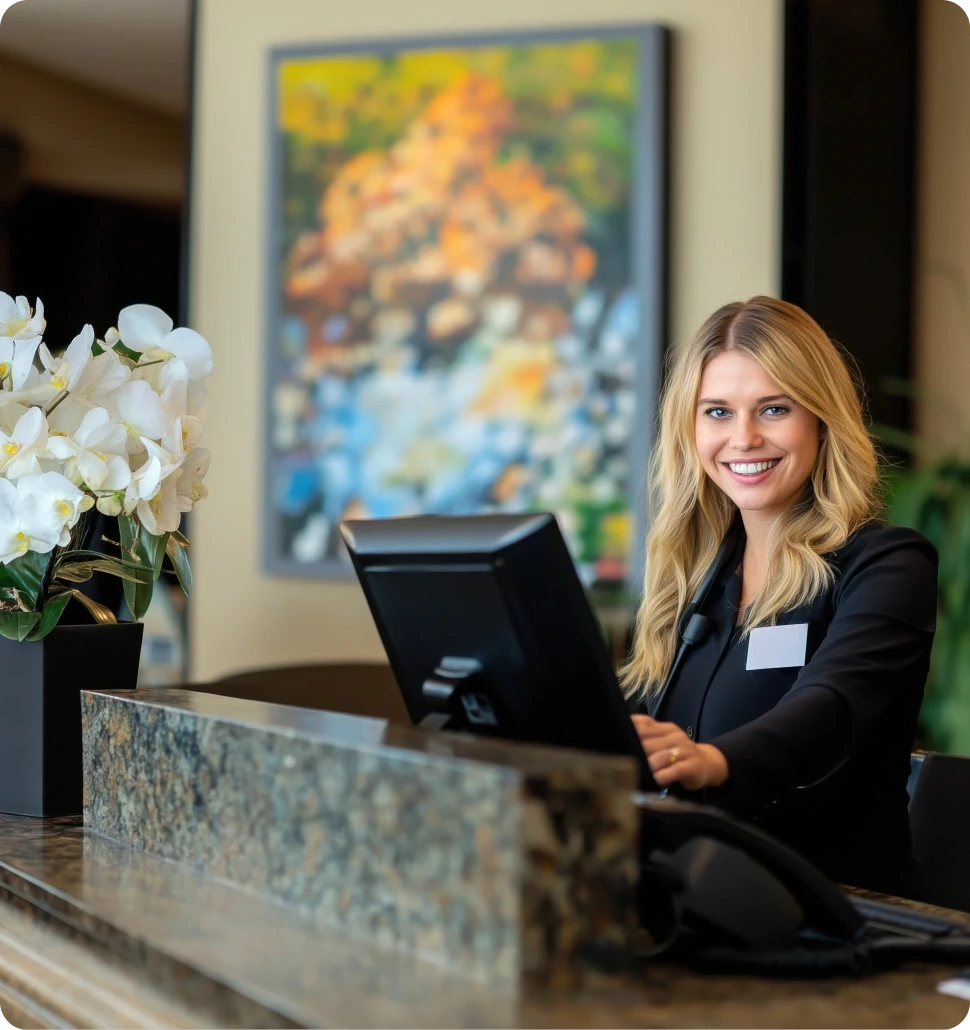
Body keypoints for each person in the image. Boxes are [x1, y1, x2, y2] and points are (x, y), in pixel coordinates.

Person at [622, 296, 937, 897]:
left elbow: (829, 706)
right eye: (717, 411)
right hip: (697, 903)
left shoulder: (888, 564)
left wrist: (717, 762)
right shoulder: (693, 583)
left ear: (820, 420)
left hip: (836, 917)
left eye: (773, 408)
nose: (743, 438)